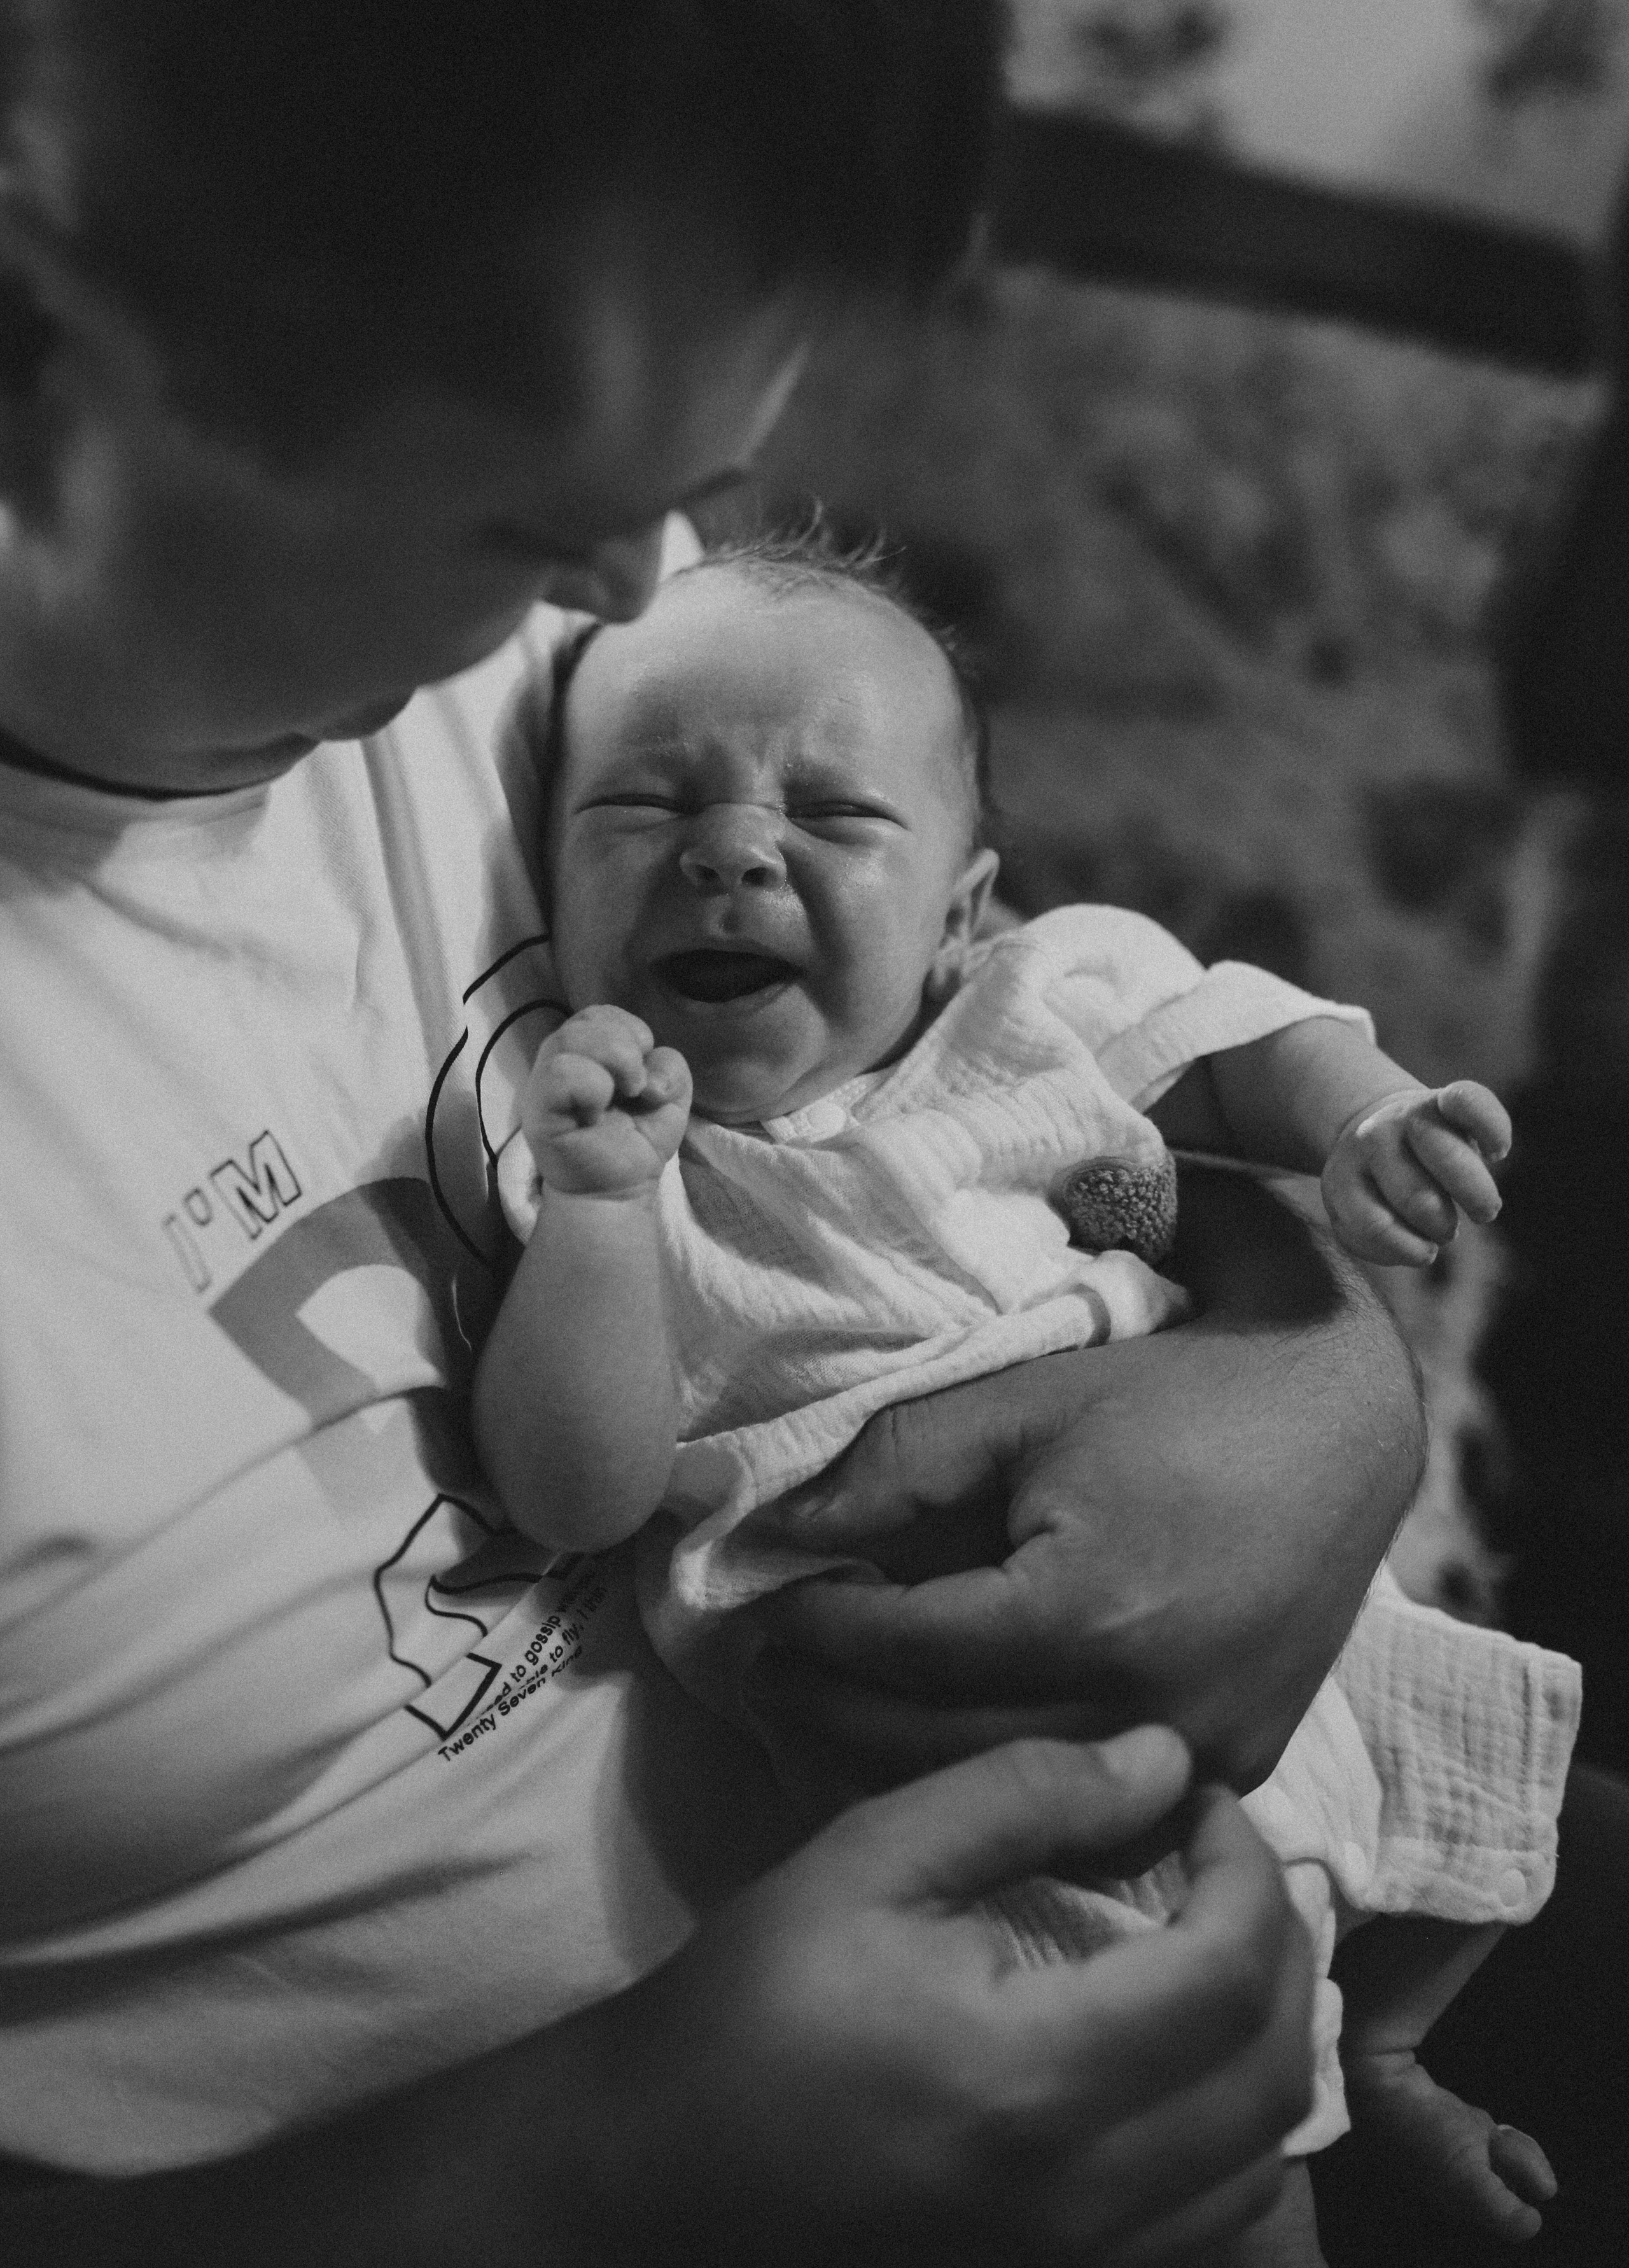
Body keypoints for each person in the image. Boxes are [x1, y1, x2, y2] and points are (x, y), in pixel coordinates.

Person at [0, 6, 1438, 2260]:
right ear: (47, 307)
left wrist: (1326, 1397)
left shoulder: (586, 651)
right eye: (535, 514)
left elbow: (1015, 1052)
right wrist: (585, 2178)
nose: (626, 590)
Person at [475, 536, 1575, 2264]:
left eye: (834, 816)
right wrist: (602, 1215)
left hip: (1254, 1594)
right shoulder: (632, 1171)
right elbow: (572, 1487)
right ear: (541, 883)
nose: (734, 844)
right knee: (1175, 2119)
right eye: (644, 807)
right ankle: (1308, 2141)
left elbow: (1233, 1033)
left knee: (1484, 1795)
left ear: (963, 910)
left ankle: (1386, 2044)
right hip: (945, 1754)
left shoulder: (1025, 1002)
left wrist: (1365, 1113)